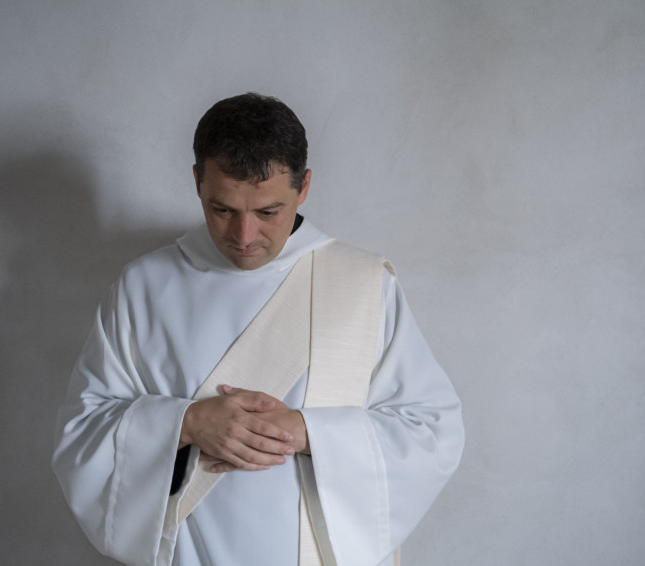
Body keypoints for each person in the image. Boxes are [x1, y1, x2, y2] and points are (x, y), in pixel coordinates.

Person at [52, 93, 465, 566]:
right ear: (196, 180)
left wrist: (308, 432)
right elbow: (81, 433)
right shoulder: (143, 286)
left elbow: (431, 431)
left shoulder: (363, 284)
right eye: (222, 209)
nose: (244, 237)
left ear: (303, 187)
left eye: (268, 212)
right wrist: (186, 424)